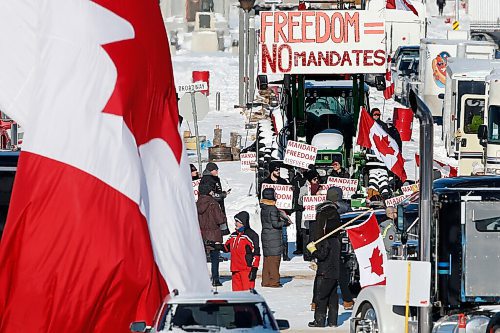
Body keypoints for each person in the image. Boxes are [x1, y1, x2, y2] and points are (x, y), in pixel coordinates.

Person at [306, 187, 342, 328]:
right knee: (333, 296)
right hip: (335, 272)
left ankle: (319, 321)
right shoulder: (337, 241)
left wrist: (313, 250)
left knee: (322, 296)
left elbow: (322, 255)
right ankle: (333, 321)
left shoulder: (326, 241)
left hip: (325, 272)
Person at [211, 211, 261, 291]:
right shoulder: (233, 235)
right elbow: (227, 248)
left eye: (237, 221)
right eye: (235, 221)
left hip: (246, 270)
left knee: (247, 294)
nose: (235, 223)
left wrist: (254, 269)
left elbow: (256, 253)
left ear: (243, 223)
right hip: (235, 269)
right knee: (237, 295)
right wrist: (217, 246)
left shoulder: (252, 235)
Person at [196, 183, 227, 287]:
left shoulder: (197, 203)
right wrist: (223, 217)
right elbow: (219, 219)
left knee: (200, 258)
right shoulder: (213, 203)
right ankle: (215, 279)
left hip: (201, 233)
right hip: (213, 234)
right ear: (209, 191)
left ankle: (200, 279)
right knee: (215, 258)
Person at [260, 160, 291, 261]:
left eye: (279, 170)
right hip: (270, 211)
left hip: (281, 210)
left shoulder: (283, 182)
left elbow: (288, 196)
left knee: (284, 233)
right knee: (272, 232)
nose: (278, 171)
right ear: (272, 170)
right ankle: (274, 251)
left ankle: (285, 254)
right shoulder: (265, 182)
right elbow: (261, 196)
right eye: (277, 170)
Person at [260, 188, 288, 288]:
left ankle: (266, 281)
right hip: (273, 236)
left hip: (266, 235)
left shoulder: (263, 207)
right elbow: (275, 224)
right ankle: (274, 281)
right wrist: (285, 222)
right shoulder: (272, 208)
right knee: (274, 259)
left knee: (267, 260)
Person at [200, 162, 230, 234]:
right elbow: (211, 194)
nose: (217, 171)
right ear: (210, 170)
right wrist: (222, 195)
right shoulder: (207, 179)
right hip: (213, 209)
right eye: (215, 170)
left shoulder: (214, 178)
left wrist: (223, 193)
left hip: (217, 207)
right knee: (216, 229)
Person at [298, 169, 321, 261]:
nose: (316, 181)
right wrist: (306, 198)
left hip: (317, 216)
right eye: (314, 179)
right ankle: (307, 255)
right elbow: (299, 202)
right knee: (306, 236)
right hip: (307, 216)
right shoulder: (304, 188)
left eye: (317, 179)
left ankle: (314, 254)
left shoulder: (320, 188)